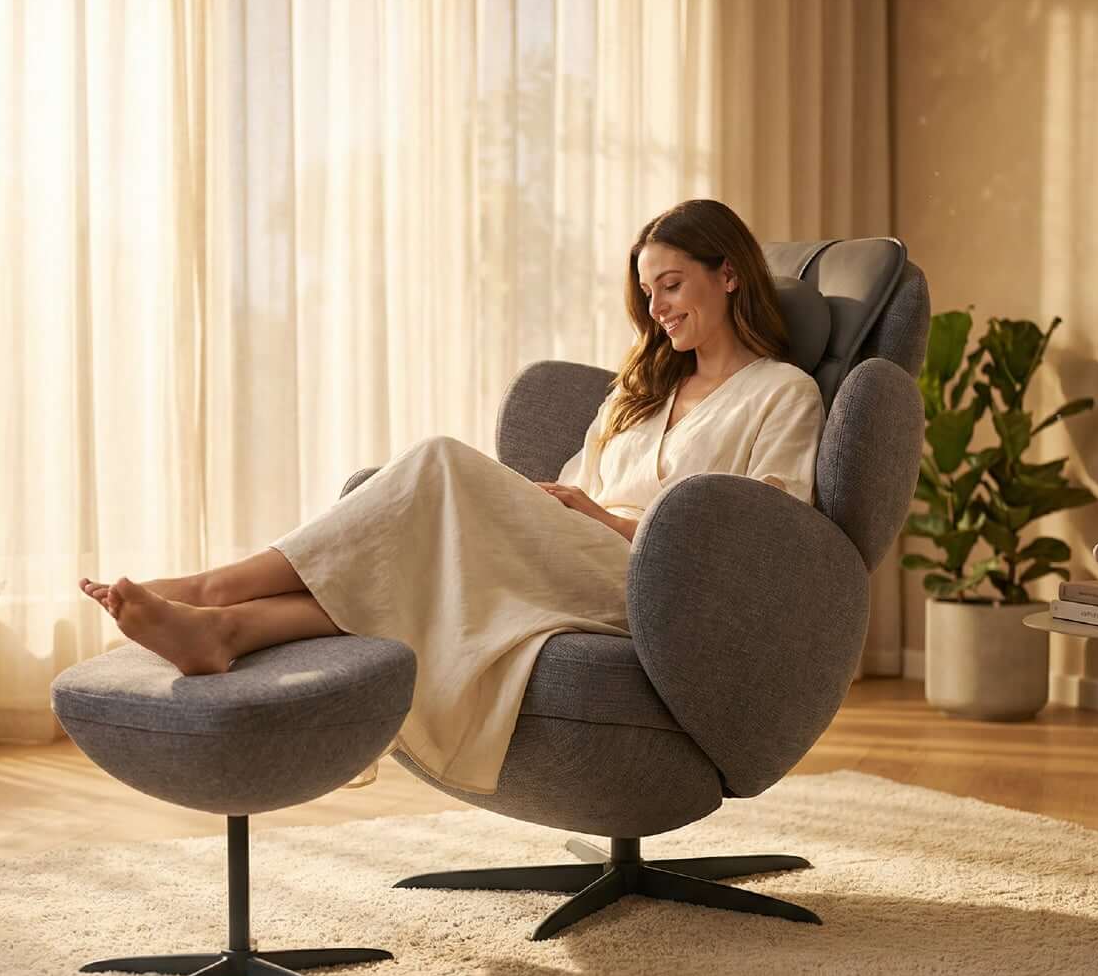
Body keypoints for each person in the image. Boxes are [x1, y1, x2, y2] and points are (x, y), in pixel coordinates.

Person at [79, 198, 826, 795]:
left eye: (671, 285)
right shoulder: (640, 391)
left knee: (438, 461)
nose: (657, 308)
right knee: (411, 536)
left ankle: (217, 589)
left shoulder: (780, 394)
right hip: (570, 552)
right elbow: (571, 484)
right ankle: (228, 633)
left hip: (653, 586)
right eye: (646, 292)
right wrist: (548, 508)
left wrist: (604, 519)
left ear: (727, 274)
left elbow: (755, 543)